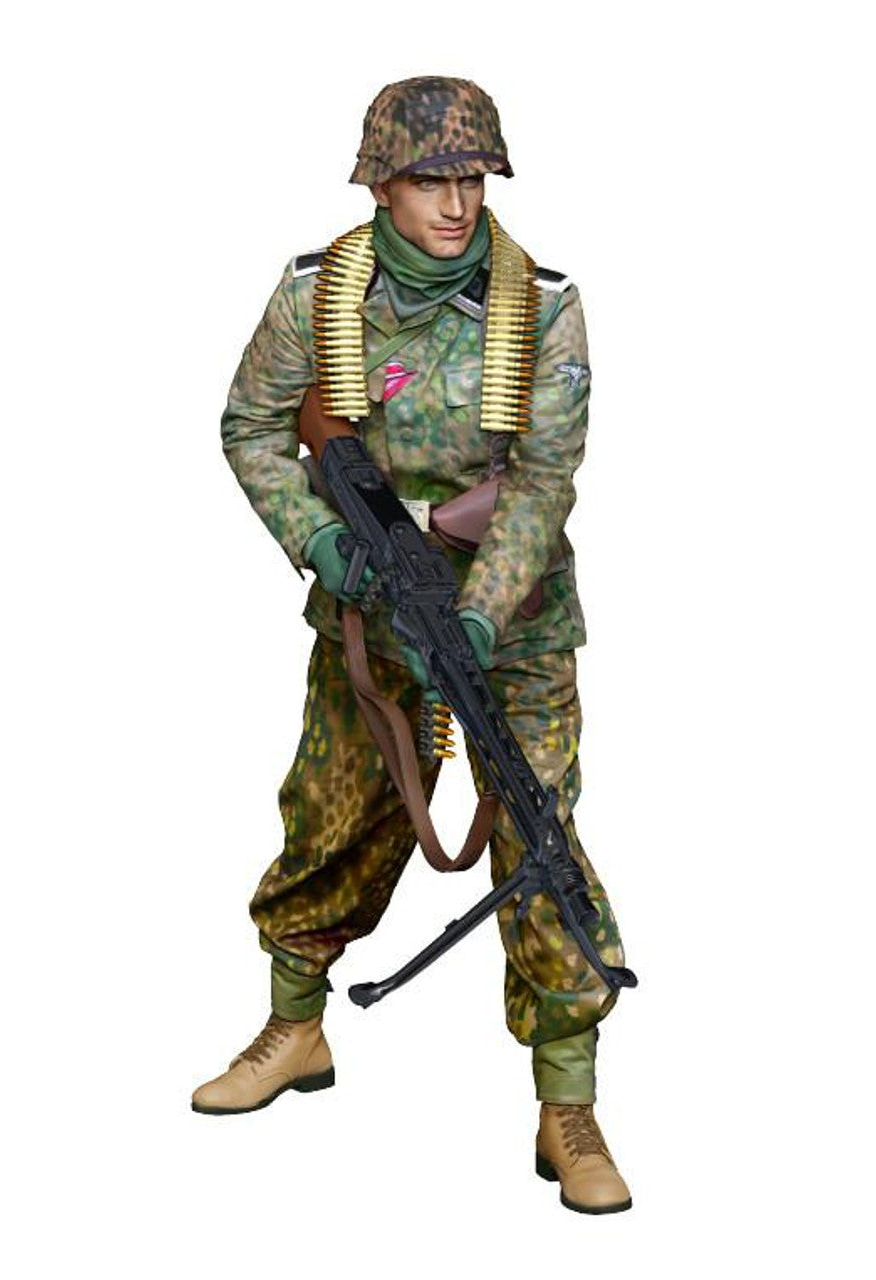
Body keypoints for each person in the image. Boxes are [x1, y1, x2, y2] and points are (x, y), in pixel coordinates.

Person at [193, 75, 633, 1215]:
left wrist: (477, 615)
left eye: (472, 177)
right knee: (332, 812)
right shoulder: (318, 297)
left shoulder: (540, 309)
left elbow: (542, 480)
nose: (456, 202)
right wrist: (319, 542)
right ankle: (295, 1027)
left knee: (538, 834)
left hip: (512, 621)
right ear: (380, 184)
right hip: (369, 609)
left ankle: (567, 1102)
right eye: (431, 179)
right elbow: (251, 426)